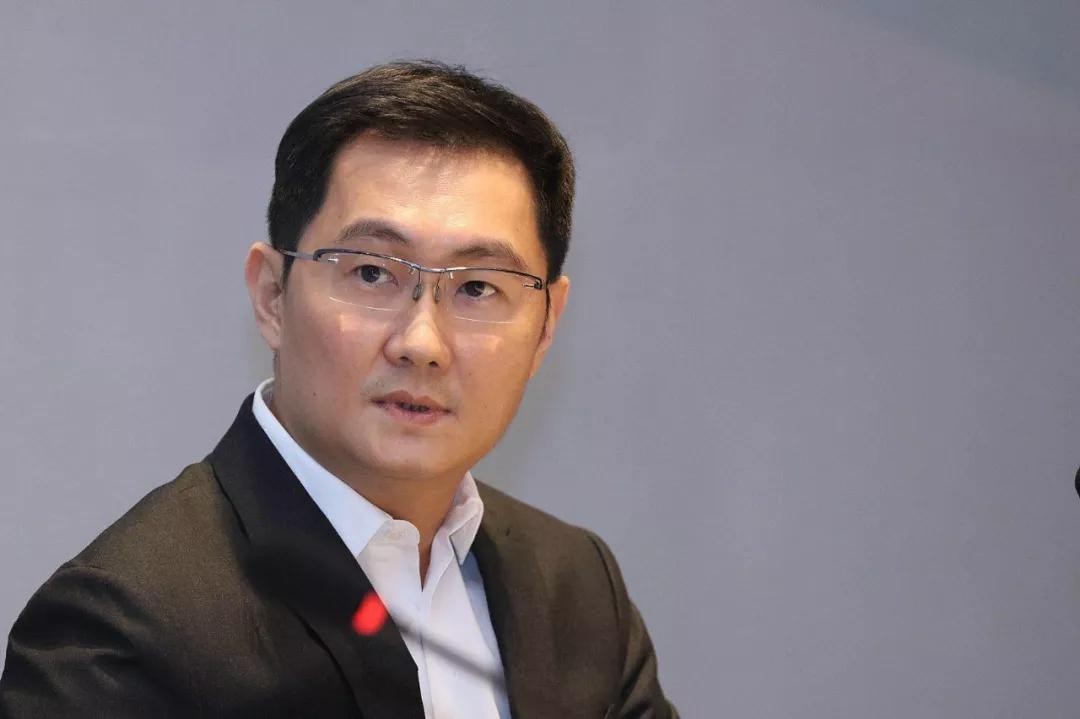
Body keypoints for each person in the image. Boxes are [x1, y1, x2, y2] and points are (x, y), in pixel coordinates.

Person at [0, 61, 677, 718]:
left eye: (477, 287)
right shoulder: (121, 631)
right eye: (372, 273)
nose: (422, 343)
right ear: (272, 295)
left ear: (547, 325)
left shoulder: (578, 588)